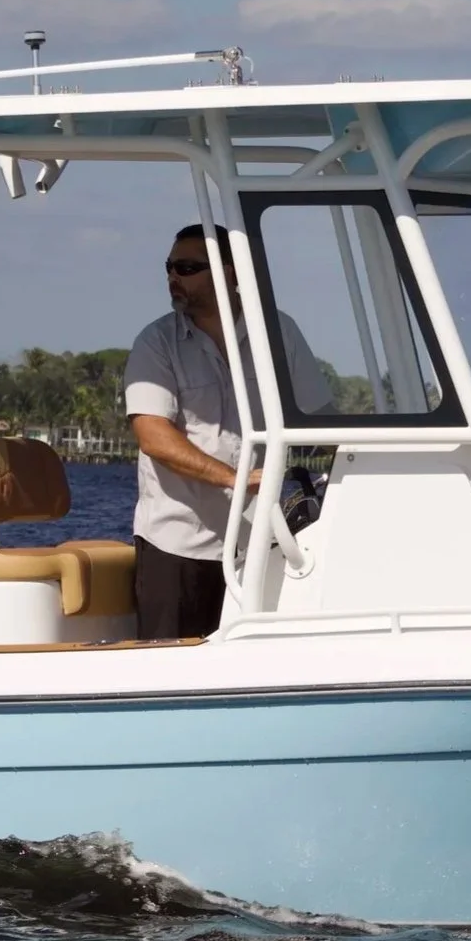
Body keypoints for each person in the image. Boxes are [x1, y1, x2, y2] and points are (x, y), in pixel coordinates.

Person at [124, 223, 329, 641]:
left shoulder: (279, 333)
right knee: (168, 678)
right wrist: (238, 481)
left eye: (186, 267)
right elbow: (154, 437)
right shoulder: (155, 342)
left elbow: (319, 421)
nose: (172, 278)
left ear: (230, 273)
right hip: (177, 544)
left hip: (260, 546)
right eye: (169, 267)